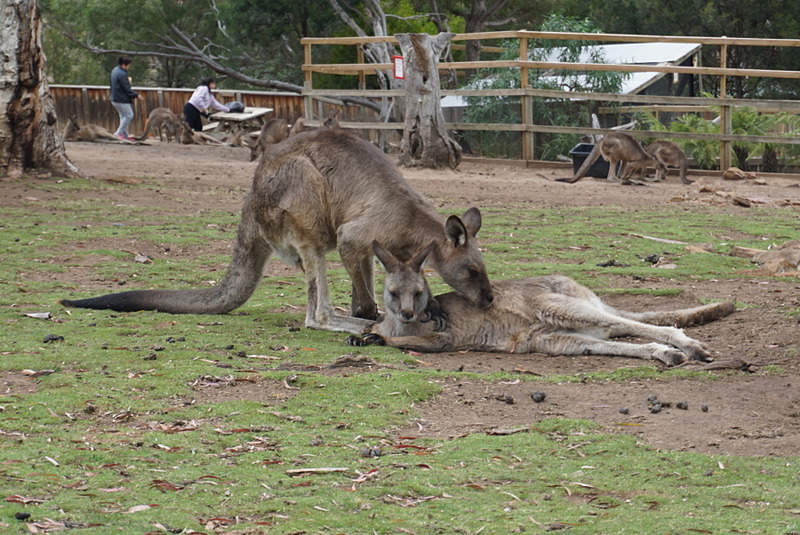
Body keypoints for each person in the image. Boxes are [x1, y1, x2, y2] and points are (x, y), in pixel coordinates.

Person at [109, 57, 139, 141]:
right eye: (128, 65)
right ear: (124, 65)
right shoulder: (122, 74)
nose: (129, 67)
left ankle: (124, 135)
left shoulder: (114, 70)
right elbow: (126, 88)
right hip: (121, 99)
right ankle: (118, 133)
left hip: (114, 98)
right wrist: (136, 95)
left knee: (123, 116)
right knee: (129, 115)